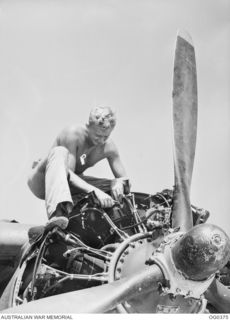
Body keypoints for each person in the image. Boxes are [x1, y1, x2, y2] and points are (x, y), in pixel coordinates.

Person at [27, 106, 129, 231]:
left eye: (106, 137)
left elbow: (125, 179)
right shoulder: (72, 133)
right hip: (43, 181)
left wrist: (119, 182)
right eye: (98, 135)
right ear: (88, 126)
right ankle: (57, 215)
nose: (101, 141)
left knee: (115, 187)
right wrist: (95, 191)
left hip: (72, 185)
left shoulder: (109, 147)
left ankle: (109, 222)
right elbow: (67, 174)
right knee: (60, 152)